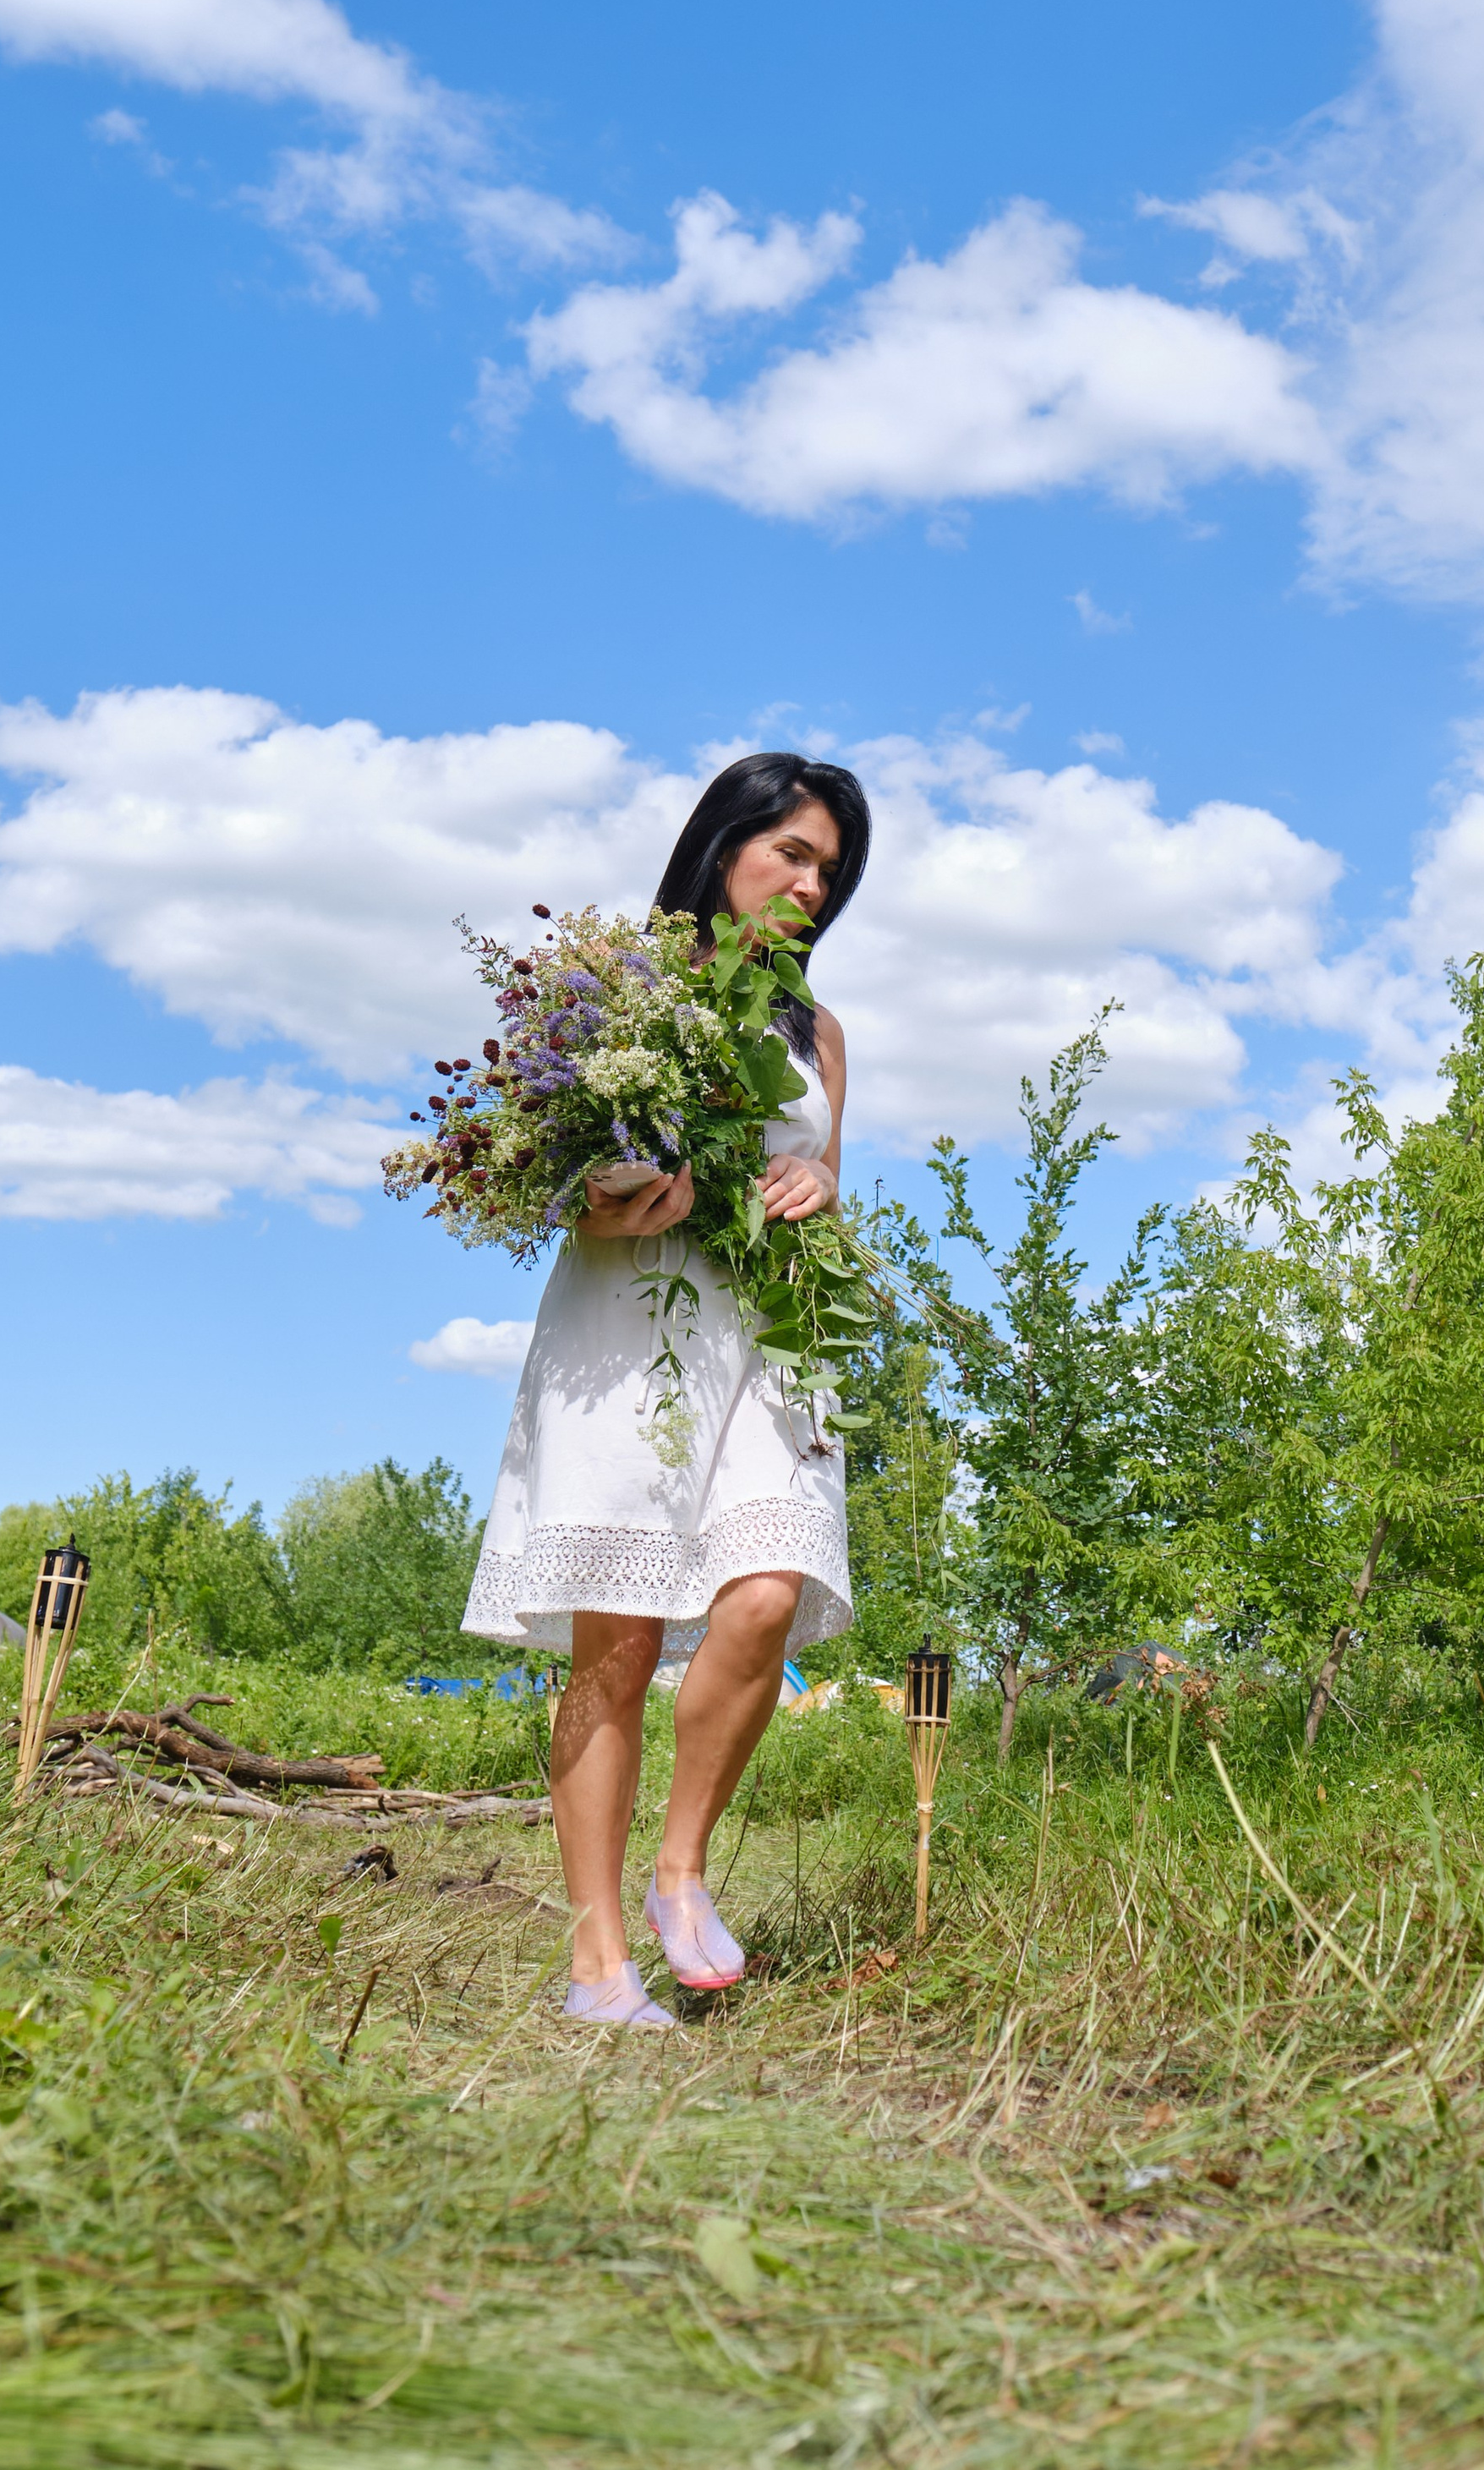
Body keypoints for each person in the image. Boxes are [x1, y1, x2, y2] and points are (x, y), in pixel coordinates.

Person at [463, 753, 871, 2027]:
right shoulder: (621, 990)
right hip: (629, 1325)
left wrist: (818, 1186)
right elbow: (549, 1174)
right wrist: (610, 1196)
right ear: (723, 845)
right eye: (793, 853)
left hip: (773, 1330)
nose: (811, 886)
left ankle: (679, 1873)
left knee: (768, 1590)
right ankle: (597, 1966)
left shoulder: (820, 1036)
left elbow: (827, 1178)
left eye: (831, 871)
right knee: (621, 1639)